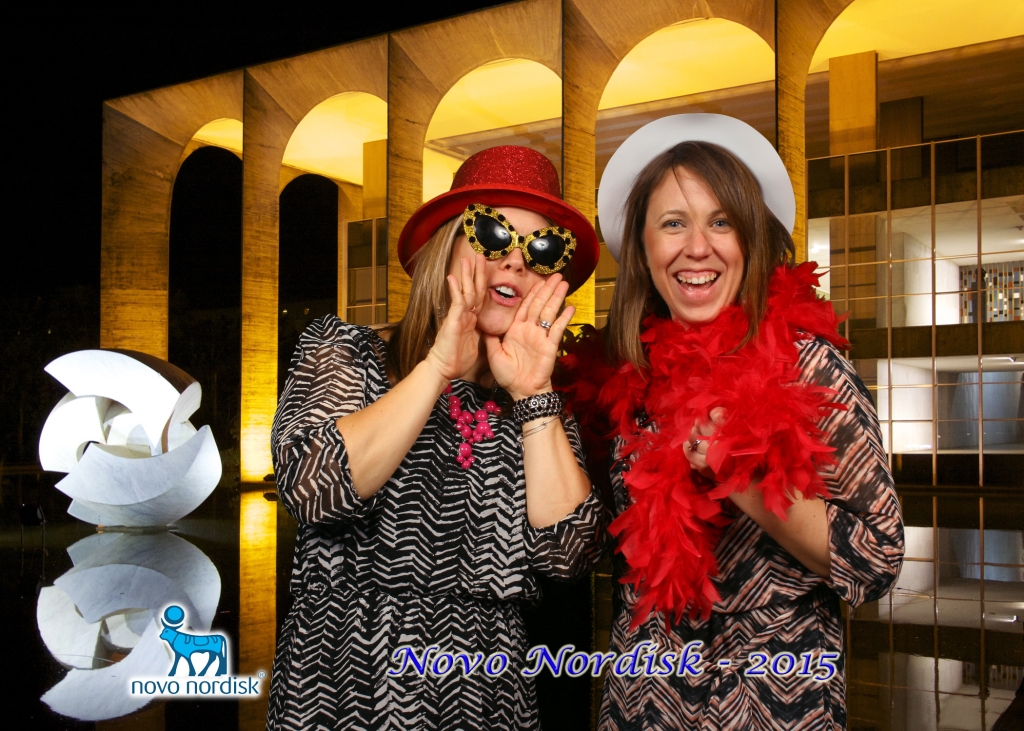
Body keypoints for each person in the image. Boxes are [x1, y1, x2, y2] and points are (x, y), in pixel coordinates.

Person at [564, 114, 904, 729]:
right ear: (643, 249)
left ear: (751, 240)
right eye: (673, 223)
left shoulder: (809, 365)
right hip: (645, 699)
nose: (698, 247)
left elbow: (877, 561)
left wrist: (741, 478)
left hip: (775, 700)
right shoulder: (623, 377)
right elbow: (584, 542)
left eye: (721, 222)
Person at [265, 145, 606, 731]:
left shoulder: (540, 402)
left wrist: (533, 394)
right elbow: (313, 489)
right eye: (494, 234)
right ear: (445, 247)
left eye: (541, 249)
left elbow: (568, 557)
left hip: (489, 696)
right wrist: (437, 367)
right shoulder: (347, 351)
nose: (516, 262)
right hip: (344, 684)